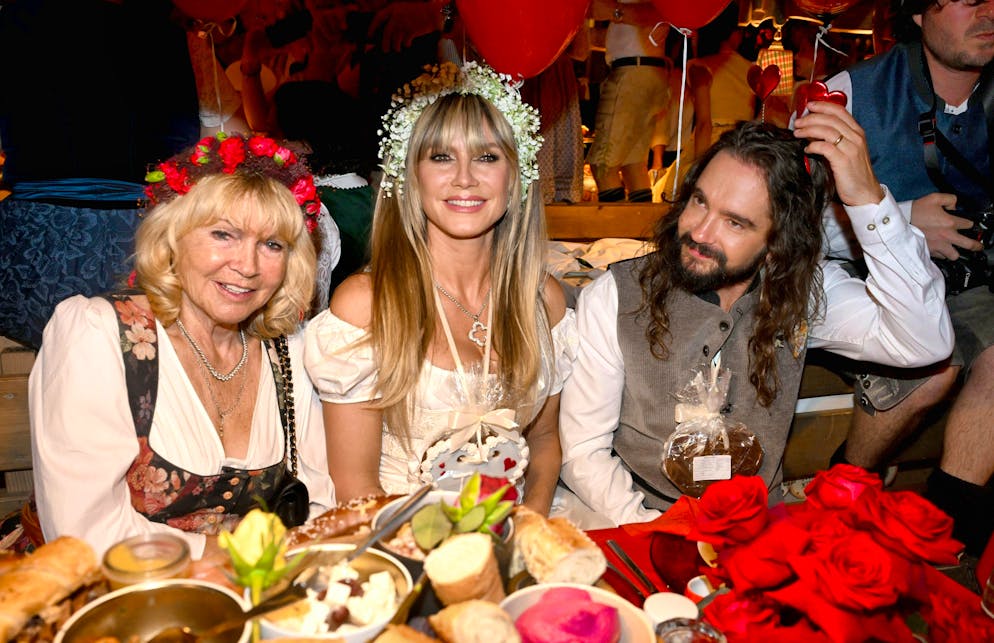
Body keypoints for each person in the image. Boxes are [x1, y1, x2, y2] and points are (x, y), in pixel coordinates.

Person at [559, 108, 954, 526]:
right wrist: (652, 529)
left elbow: (924, 342)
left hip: (758, 530)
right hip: (637, 519)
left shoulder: (800, 292)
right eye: (699, 201)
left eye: (734, 222)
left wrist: (868, 202)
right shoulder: (617, 296)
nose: (699, 232)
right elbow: (583, 452)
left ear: (778, 243)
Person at [30, 133, 336, 560]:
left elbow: (318, 503)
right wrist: (229, 556)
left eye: (272, 245)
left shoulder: (288, 350)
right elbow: (84, 532)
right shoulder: (100, 334)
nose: (247, 266)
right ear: (173, 236)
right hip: (113, 588)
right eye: (223, 234)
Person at [304, 62, 576, 516]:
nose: (464, 177)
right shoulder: (367, 306)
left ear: (515, 176)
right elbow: (356, 487)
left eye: (487, 157)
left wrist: (531, 522)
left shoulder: (542, 299)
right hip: (395, 533)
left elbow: (545, 440)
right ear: (411, 175)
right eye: (441, 157)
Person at [818, 0, 994, 554]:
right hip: (864, 276)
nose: (988, 12)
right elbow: (790, 226)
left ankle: (949, 540)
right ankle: (847, 480)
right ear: (918, 11)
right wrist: (905, 217)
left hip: (971, 283)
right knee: (931, 369)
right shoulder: (850, 91)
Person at [586, 0, 669, 203]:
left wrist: (613, 11)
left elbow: (653, 13)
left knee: (602, 163)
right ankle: (639, 220)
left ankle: (615, 222)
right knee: (633, 163)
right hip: (645, 70)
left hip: (632, 73)